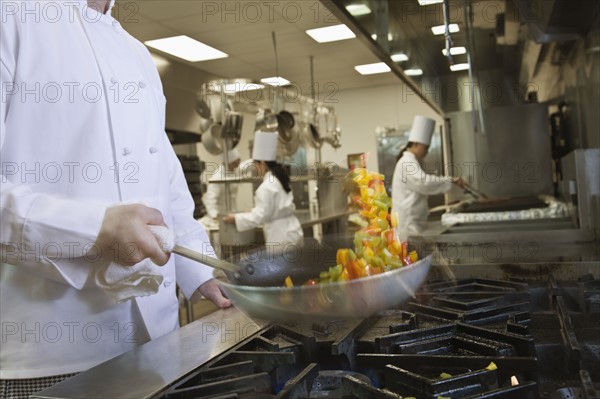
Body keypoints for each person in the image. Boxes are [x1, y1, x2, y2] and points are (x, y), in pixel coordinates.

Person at [0, 0, 230, 396]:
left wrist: (204, 273)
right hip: (52, 352)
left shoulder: (137, 53)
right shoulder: (12, 16)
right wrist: (93, 229)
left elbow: (168, 186)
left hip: (158, 338)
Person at [223, 131, 304, 248]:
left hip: (280, 237)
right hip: (294, 231)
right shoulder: (279, 179)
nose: (256, 169)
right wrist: (253, 210)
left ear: (262, 163)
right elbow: (271, 208)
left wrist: (236, 218)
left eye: (256, 165)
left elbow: (260, 216)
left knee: (282, 266)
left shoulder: (266, 186)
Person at [391, 116, 464, 238]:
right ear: (415, 144)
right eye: (426, 147)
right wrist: (450, 180)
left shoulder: (410, 161)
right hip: (409, 224)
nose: (427, 151)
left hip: (414, 222)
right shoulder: (407, 162)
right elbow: (423, 182)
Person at [202, 149, 241, 220]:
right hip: (221, 217)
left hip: (233, 215)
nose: (238, 165)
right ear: (229, 162)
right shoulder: (217, 177)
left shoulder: (233, 172)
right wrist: (216, 217)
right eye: (236, 163)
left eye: (239, 161)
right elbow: (210, 201)